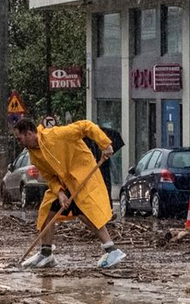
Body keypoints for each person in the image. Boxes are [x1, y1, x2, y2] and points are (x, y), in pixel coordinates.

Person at [14, 115, 126, 269]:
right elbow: (49, 177)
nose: (18, 142)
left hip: (82, 176)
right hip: (64, 183)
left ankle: (112, 250)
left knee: (86, 213)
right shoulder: (34, 154)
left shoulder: (56, 134)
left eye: (19, 138)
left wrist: (105, 144)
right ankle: (46, 254)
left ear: (29, 133)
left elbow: (86, 126)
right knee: (48, 210)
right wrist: (59, 192)